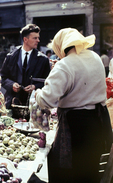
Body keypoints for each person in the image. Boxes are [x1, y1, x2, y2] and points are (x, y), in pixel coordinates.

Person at [35, 28, 113, 183]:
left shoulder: (64, 65)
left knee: (69, 172)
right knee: (90, 170)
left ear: (60, 46)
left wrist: (37, 93)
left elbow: (46, 101)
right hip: (98, 123)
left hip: (76, 126)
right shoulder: (95, 57)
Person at [0, 24, 51, 114]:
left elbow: (48, 81)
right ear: (25, 39)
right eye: (35, 38)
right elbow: (3, 78)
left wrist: (35, 87)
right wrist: (12, 85)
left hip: (35, 106)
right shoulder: (10, 57)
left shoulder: (43, 59)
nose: (38, 40)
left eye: (38, 38)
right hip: (13, 104)